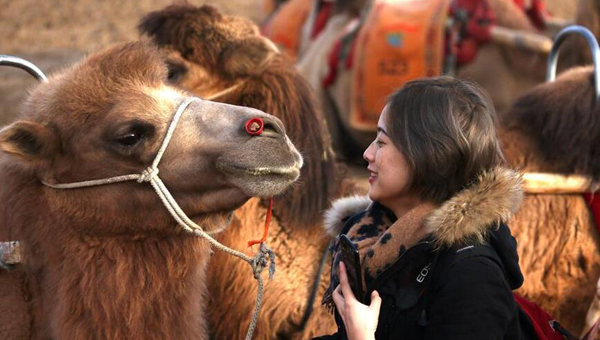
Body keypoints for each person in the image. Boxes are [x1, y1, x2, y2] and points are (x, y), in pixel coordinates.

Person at [313, 76, 533, 340]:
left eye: (381, 142)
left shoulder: (472, 277)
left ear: (427, 156)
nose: (367, 154)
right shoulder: (378, 242)